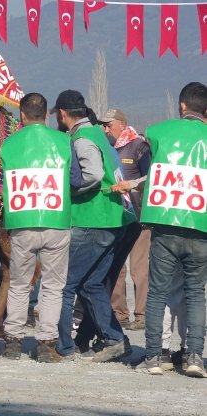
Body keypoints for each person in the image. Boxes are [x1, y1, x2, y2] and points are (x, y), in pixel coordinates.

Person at [52, 90, 135, 362]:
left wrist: (70, 193)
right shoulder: (99, 133)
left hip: (92, 220)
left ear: (62, 114)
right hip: (113, 219)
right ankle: (114, 339)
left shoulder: (82, 138)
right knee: (92, 284)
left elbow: (94, 174)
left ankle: (61, 346)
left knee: (65, 285)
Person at [134, 82, 206, 377]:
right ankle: (194, 357)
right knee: (195, 293)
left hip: (164, 225)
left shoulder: (158, 132)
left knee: (158, 294)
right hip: (200, 227)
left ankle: (154, 357)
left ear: (181, 107)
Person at [0, 93, 72, 363]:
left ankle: (13, 342)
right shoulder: (64, 142)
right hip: (56, 221)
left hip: (22, 222)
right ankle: (46, 344)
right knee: (53, 286)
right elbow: (75, 178)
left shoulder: (9, 144)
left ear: (22, 115)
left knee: (19, 284)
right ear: (47, 115)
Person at [100, 108, 151, 330]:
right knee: (117, 267)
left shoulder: (139, 146)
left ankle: (142, 315)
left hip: (139, 217)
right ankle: (119, 313)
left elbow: (150, 177)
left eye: (109, 124)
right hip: (117, 215)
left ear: (122, 123)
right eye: (103, 124)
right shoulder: (107, 147)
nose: (105, 128)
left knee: (139, 268)